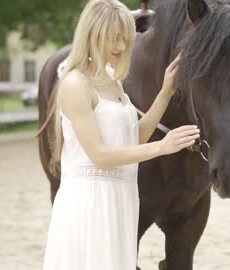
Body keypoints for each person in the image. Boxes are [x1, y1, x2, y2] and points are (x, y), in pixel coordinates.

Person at [42, 0, 200, 269]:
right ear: (92, 34)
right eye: (111, 38)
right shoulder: (75, 84)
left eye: (124, 39)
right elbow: (100, 155)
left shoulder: (112, 81)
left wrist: (165, 93)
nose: (119, 46)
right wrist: (162, 147)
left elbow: (132, 139)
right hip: (90, 202)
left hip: (120, 198)